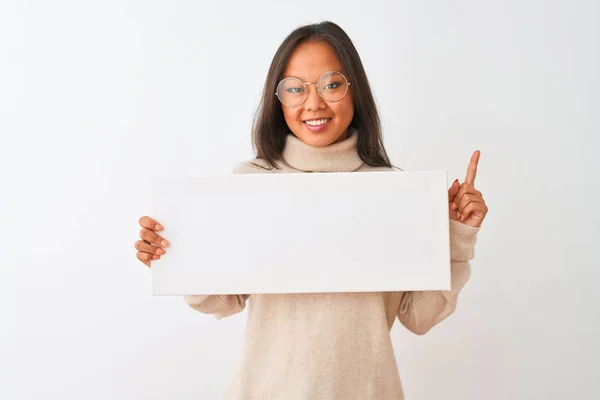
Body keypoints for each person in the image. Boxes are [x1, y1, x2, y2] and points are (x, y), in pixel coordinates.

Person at [134, 21, 488, 400]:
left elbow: (419, 316)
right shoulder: (250, 184)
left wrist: (455, 237)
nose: (313, 103)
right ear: (278, 99)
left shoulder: (393, 191)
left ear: (355, 91)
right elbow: (220, 300)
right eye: (295, 89)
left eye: (331, 84)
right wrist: (175, 252)